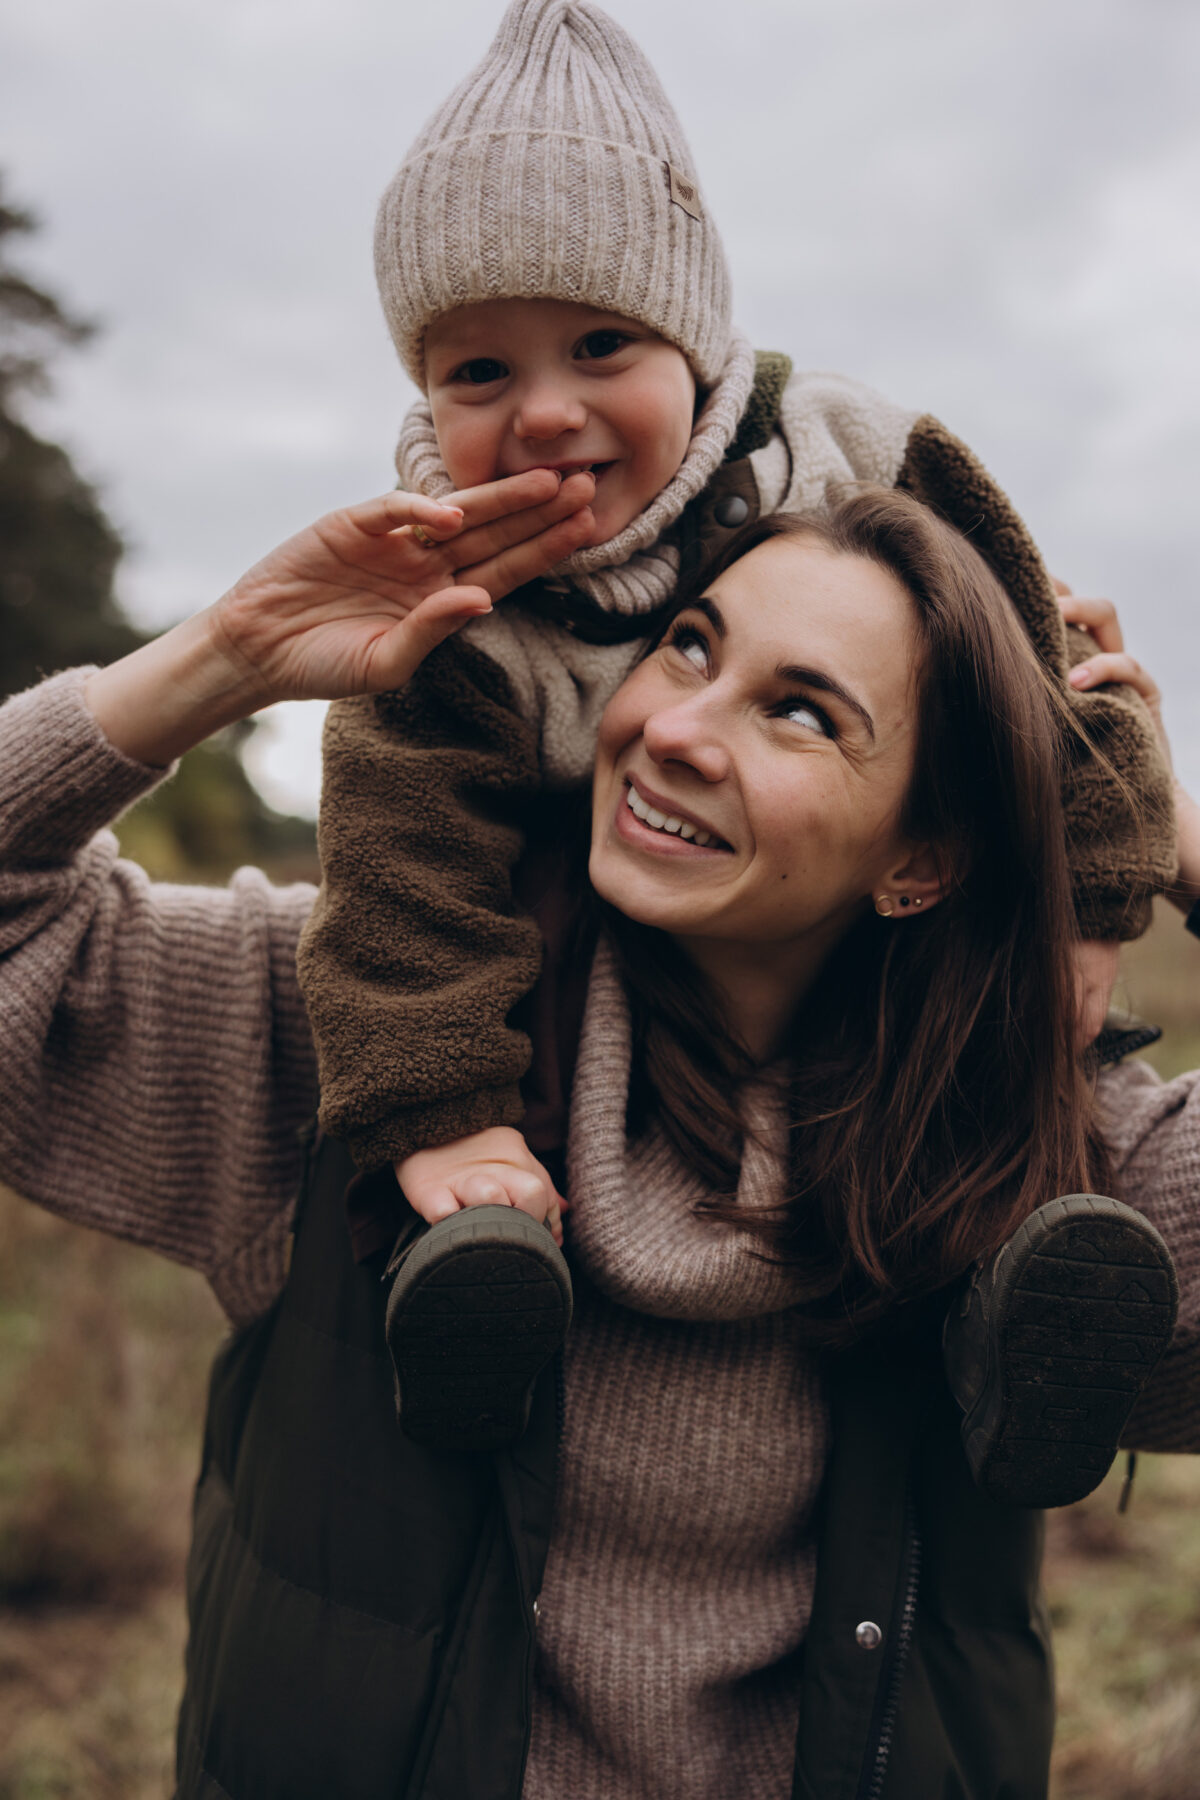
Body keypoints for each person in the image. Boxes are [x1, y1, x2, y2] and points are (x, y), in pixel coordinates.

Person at [2, 480, 1197, 1798]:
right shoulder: (360, 1031)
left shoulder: (1032, 1159)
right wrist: (219, 658)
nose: (676, 728)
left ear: (922, 863)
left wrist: (1161, 840)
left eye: (800, 711)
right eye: (691, 642)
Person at [291, 0, 1176, 1462]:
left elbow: (1047, 659)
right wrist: (439, 1111)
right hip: (580, 992)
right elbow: (398, 879)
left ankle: (1016, 1320)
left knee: (998, 1071)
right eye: (477, 374)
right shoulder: (448, 608)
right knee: (442, 1145)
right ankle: (471, 1310)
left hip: (888, 972)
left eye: (598, 344)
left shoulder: (840, 457)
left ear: (695, 344)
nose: (547, 415)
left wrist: (1102, 884)